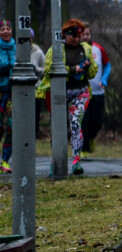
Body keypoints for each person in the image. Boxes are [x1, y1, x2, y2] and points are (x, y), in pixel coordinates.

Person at [36, 19, 97, 175]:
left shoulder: (86, 49)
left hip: (80, 91)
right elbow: (49, 69)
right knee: (58, 127)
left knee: (76, 123)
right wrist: (71, 69)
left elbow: (92, 73)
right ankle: (55, 162)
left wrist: (88, 67)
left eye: (79, 36)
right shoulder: (56, 49)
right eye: (74, 37)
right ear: (65, 35)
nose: (77, 40)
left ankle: (76, 161)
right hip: (59, 93)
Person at [80, 21, 111, 154]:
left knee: (97, 122)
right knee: (85, 122)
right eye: (82, 34)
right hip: (83, 92)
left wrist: (104, 80)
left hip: (98, 91)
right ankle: (85, 149)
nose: (85, 37)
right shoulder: (76, 50)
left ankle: (91, 138)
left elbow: (108, 65)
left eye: (87, 34)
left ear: (90, 35)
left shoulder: (98, 49)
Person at [0, 19, 13, 173]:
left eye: (7, 29)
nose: (5, 31)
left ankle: (5, 161)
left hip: (12, 93)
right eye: (2, 29)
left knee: (11, 126)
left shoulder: (17, 47)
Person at [30, 29, 45, 139]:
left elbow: (45, 70)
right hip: (21, 88)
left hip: (36, 87)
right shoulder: (17, 51)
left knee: (34, 114)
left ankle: (33, 134)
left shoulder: (38, 52)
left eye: (29, 37)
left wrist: (36, 69)